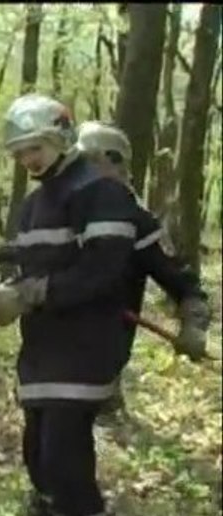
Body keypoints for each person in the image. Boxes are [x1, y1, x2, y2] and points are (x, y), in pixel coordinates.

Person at [0, 94, 142, 516]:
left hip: (86, 349)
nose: (28, 159)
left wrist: (31, 294)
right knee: (36, 456)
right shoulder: (35, 204)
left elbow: (103, 271)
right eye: (20, 151)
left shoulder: (100, 193)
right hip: (42, 353)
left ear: (63, 136)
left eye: (36, 147)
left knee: (64, 460)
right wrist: (6, 281)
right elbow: (39, 263)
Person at [75, 120, 211, 417]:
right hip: (54, 357)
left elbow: (183, 283)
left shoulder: (137, 220)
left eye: (89, 163)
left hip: (103, 360)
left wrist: (193, 324)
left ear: (113, 162)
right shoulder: (66, 210)